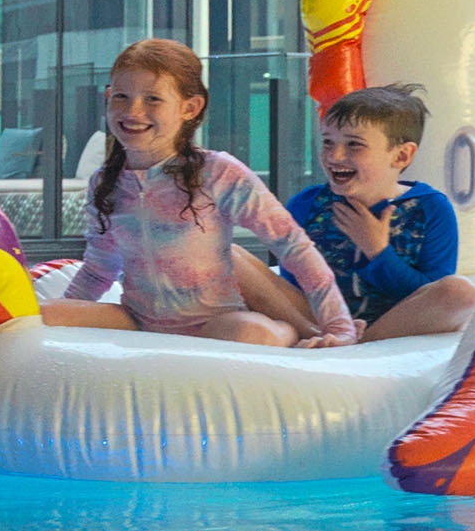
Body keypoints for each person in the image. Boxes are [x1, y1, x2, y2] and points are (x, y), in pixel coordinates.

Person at [35, 37, 356, 347]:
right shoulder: (105, 182)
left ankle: (287, 331)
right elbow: (98, 270)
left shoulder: (217, 172)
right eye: (121, 96)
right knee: (40, 315)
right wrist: (67, 325)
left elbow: (293, 245)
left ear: (190, 107)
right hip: (137, 319)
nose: (132, 111)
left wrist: (339, 326)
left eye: (153, 99)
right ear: (107, 98)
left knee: (250, 334)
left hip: (214, 322)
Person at [284, 85, 475, 345]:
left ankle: (353, 344)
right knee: (235, 255)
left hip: (393, 321)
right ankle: (329, 334)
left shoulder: (430, 208)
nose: (335, 155)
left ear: (401, 155)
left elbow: (428, 291)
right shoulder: (305, 204)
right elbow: (291, 288)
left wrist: (377, 252)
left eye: (354, 145)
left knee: (460, 292)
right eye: (328, 142)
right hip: (317, 317)